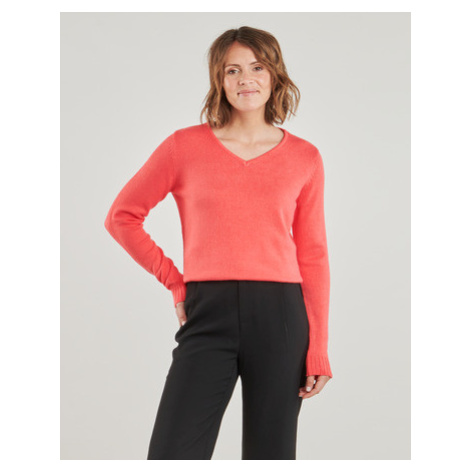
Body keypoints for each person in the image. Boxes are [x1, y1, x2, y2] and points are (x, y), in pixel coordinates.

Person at [104, 26, 333, 460]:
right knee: (172, 453)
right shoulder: (183, 147)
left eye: (257, 67)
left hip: (282, 318)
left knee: (270, 455)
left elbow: (313, 255)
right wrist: (175, 281)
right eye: (233, 70)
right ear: (219, 80)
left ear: (274, 74)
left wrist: (318, 347)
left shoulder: (305, 157)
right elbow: (122, 217)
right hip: (208, 313)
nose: (246, 79)